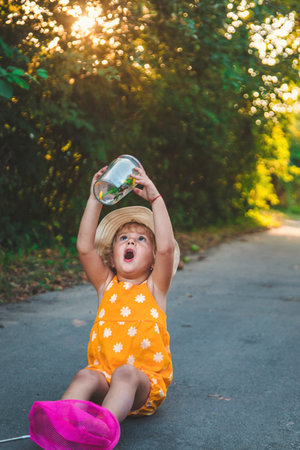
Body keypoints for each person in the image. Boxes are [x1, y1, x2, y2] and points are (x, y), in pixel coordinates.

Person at [61, 164, 180, 433]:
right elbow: (84, 247)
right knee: (85, 375)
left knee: (125, 373)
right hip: (104, 381)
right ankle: (63, 422)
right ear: (112, 256)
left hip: (142, 386)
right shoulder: (106, 285)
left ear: (152, 261)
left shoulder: (155, 288)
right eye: (123, 238)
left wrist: (155, 199)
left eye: (141, 240)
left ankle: (101, 427)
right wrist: (95, 198)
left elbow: (167, 248)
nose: (131, 243)